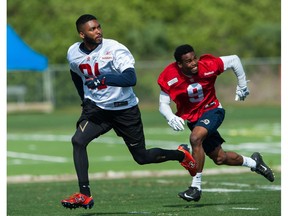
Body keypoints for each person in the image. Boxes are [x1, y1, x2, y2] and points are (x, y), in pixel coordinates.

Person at [60, 15, 197, 210]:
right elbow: (75, 72)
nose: (98, 31)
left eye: (99, 27)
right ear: (82, 34)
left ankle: (181, 155)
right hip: (98, 110)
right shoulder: (73, 52)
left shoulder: (114, 48)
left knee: (141, 157)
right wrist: (84, 98)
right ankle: (84, 194)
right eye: (92, 29)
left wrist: (104, 79)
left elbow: (130, 78)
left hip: (125, 110)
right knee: (78, 141)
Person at [157, 44, 275, 202]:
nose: (193, 63)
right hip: (194, 119)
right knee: (220, 158)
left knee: (195, 138)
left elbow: (234, 60)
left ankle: (195, 187)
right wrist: (170, 116)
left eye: (194, 59)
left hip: (213, 110)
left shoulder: (207, 65)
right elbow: (163, 104)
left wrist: (242, 85)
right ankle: (254, 163)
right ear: (179, 64)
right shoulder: (169, 75)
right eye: (188, 61)